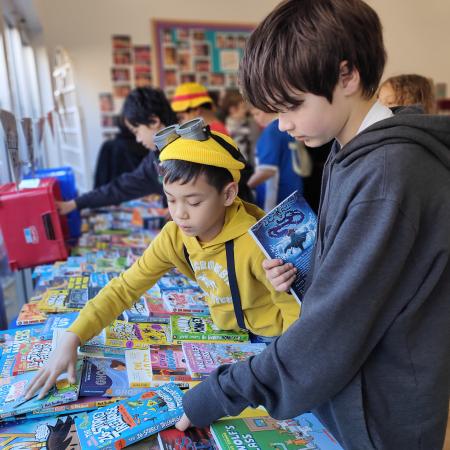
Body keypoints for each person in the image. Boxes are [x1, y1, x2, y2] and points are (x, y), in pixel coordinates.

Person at [172, 1, 448, 449]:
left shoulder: (388, 175)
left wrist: (215, 394)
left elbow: (332, 332)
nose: (283, 125)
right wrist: (308, 275)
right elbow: (369, 280)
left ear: (346, 75)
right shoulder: (349, 151)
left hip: (379, 411)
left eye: (292, 106)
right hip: (351, 392)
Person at [25, 120, 301, 401]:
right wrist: (73, 336)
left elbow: (299, 323)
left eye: (193, 202)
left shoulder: (258, 241)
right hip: (230, 338)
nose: (180, 214)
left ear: (228, 194)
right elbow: (124, 288)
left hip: (274, 344)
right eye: (171, 200)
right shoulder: (175, 236)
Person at [57, 87, 177, 215]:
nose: (138, 139)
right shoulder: (154, 158)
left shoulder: (187, 150)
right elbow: (120, 187)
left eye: (137, 131)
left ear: (154, 121)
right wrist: (75, 203)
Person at [248, 108, 302, 211]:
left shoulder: (271, 132)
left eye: (257, 114)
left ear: (266, 109)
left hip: (275, 199)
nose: (255, 118)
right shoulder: (285, 128)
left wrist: (245, 187)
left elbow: (267, 171)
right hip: (293, 189)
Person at [93, 119, 148, 188]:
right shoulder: (146, 145)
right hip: (142, 192)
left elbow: (101, 176)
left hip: (114, 192)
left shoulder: (109, 145)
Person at [221, 89, 260, 166]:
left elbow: (256, 147)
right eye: (243, 107)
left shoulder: (252, 123)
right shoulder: (223, 127)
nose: (246, 110)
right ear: (232, 109)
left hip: (251, 167)